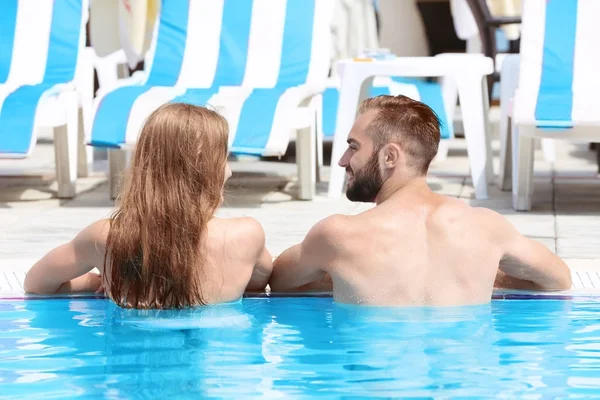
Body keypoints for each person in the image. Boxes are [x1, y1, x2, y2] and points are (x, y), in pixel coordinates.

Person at [269, 95, 572, 307]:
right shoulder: (486, 227)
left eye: (353, 147)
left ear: (390, 156)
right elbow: (557, 279)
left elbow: (280, 281)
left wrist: (339, 274)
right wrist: (484, 274)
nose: (342, 160)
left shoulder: (337, 236)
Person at [24, 103, 273, 309]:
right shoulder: (247, 235)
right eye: (224, 159)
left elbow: (36, 284)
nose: (228, 171)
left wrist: (96, 281)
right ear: (206, 170)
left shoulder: (106, 238)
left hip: (133, 365)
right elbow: (259, 284)